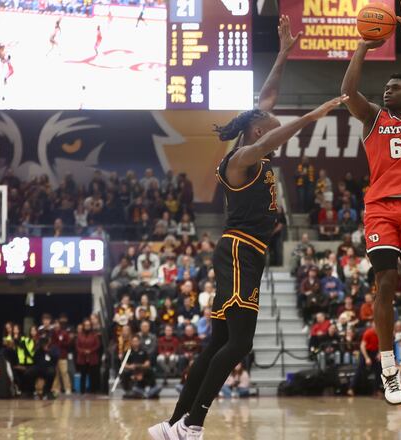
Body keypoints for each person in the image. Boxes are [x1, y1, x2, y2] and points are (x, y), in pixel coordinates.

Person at [148, 15, 346, 439]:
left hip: (245, 252)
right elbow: (273, 134)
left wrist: (283, 53)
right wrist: (314, 114)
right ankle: (194, 425)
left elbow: (267, 96)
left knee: (218, 343)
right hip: (239, 249)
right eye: (270, 124)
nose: (275, 122)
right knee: (239, 344)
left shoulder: (253, 143)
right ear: (259, 132)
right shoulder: (242, 158)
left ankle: (172, 425)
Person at [340, 0, 401, 409]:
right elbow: (347, 92)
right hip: (379, 207)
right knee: (384, 284)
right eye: (386, 88)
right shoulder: (372, 119)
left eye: (395, 88)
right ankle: (388, 369)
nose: (387, 90)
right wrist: (363, 46)